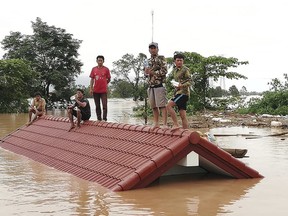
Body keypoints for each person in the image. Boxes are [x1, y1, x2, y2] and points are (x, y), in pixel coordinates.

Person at [144, 42, 168, 129]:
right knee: (153, 106)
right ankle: (156, 123)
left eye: (154, 48)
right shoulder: (147, 61)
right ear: (149, 50)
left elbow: (164, 71)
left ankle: (164, 124)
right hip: (150, 85)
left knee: (162, 105)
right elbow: (145, 74)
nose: (153, 50)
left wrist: (152, 72)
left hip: (160, 84)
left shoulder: (161, 58)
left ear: (157, 49)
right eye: (151, 48)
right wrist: (146, 73)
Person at [166, 53, 192, 129]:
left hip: (183, 93)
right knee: (182, 115)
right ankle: (186, 132)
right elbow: (178, 82)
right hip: (178, 92)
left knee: (168, 105)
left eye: (181, 60)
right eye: (178, 60)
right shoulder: (175, 71)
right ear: (175, 61)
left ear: (183, 61)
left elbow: (190, 81)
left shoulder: (185, 69)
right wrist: (176, 86)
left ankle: (176, 124)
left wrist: (181, 85)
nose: (179, 62)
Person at [89, 55, 111, 121]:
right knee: (97, 106)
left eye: (101, 60)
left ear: (103, 61)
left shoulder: (106, 69)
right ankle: (99, 119)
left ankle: (104, 119)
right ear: (96, 61)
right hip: (96, 90)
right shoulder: (94, 69)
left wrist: (104, 83)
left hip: (103, 91)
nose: (100, 62)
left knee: (104, 105)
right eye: (99, 60)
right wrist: (91, 88)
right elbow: (92, 79)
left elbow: (109, 78)